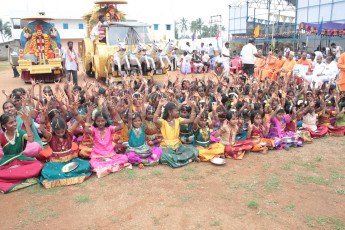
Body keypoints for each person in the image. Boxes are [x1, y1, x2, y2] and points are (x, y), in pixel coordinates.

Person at [0, 112, 43, 193]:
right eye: (11, 123)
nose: (14, 124)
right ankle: (20, 175)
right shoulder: (1, 136)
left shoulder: (21, 133)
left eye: (15, 121)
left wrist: (26, 123)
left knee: (38, 165)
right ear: (4, 126)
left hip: (21, 158)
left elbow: (31, 140)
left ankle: (14, 176)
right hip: (7, 161)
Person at [153, 99, 199, 168]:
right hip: (166, 147)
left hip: (178, 146)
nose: (178, 112)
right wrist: (159, 105)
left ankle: (176, 158)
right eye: (176, 111)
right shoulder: (163, 122)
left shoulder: (178, 120)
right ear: (169, 112)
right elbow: (154, 120)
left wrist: (192, 107)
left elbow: (191, 120)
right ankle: (184, 158)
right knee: (162, 156)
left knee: (194, 150)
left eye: (178, 110)